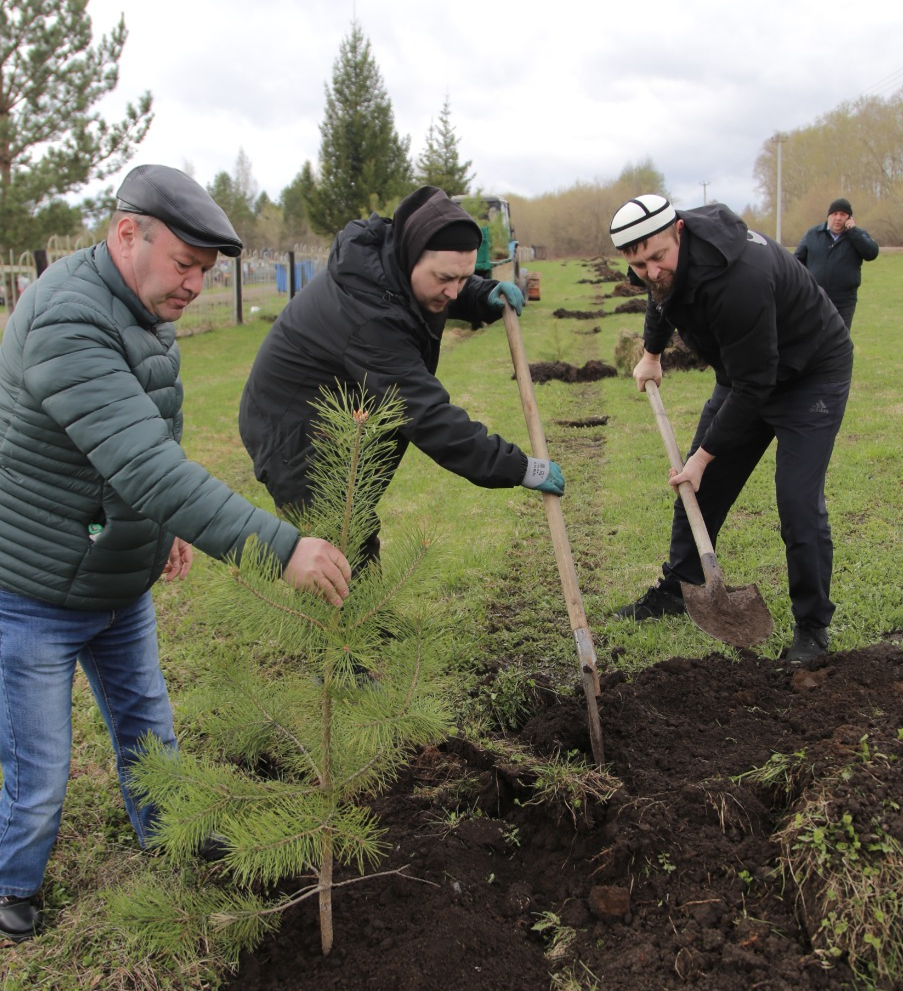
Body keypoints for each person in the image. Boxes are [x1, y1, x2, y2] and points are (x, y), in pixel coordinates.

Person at [0, 164, 351, 942]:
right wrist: (280, 548)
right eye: (186, 265)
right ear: (127, 233)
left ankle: (165, 828)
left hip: (112, 572)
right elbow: (144, 464)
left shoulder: (140, 308)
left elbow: (138, 440)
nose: (196, 285)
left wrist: (161, 525)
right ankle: (9, 881)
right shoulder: (67, 319)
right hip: (31, 582)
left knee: (147, 725)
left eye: (205, 272)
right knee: (40, 769)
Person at [238, 185, 564, 553]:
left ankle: (361, 609)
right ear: (412, 257)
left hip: (340, 417)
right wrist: (518, 467)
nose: (454, 291)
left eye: (463, 278)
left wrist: (481, 294)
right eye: (446, 280)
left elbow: (443, 285)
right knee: (339, 549)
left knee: (351, 536)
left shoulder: (389, 268)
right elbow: (428, 417)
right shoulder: (369, 318)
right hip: (294, 434)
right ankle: (350, 610)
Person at [609, 193, 853, 665]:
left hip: (810, 374)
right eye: (638, 264)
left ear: (679, 230)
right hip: (744, 372)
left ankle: (812, 627)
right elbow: (660, 299)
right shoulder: (658, 265)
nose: (651, 271)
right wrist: (652, 354)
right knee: (697, 490)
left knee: (798, 503)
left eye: (658, 257)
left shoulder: (741, 276)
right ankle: (681, 587)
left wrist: (703, 457)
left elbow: (756, 386)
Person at [793, 197, 879, 331]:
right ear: (829, 216)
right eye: (834, 214)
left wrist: (853, 232)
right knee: (814, 337)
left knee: (840, 341)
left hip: (844, 301)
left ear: (849, 218)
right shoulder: (813, 234)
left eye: (843, 214)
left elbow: (871, 253)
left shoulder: (857, 235)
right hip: (816, 299)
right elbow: (797, 261)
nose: (838, 218)